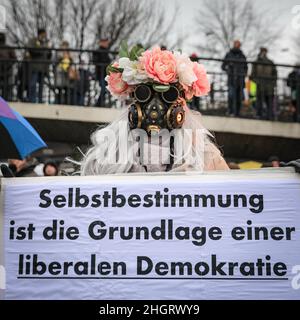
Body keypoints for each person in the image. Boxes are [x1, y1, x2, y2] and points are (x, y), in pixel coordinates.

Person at [80, 45, 229, 175]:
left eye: (168, 95)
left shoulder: (205, 156)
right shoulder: (109, 155)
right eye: (144, 94)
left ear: (180, 105)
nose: (154, 107)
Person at [222, 40, 248, 117]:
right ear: (234, 44)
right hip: (231, 79)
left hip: (240, 80)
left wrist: (243, 73)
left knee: (239, 97)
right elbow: (223, 66)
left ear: (240, 45)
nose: (237, 45)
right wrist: (228, 70)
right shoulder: (229, 54)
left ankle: (237, 112)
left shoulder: (242, 56)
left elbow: (246, 67)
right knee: (231, 95)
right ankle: (230, 111)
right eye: (236, 44)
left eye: (238, 44)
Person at [250, 48, 277, 120]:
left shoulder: (270, 62)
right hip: (259, 85)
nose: (264, 53)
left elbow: (275, 74)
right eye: (262, 51)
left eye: (265, 51)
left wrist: (273, 83)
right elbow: (253, 75)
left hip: (269, 86)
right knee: (259, 101)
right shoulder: (256, 62)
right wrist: (257, 82)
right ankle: (259, 115)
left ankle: (270, 116)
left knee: (269, 101)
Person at [26, 28, 52, 103]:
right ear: (40, 33)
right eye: (44, 34)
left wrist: (49, 50)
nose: (45, 35)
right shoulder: (33, 41)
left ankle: (40, 99)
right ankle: (32, 99)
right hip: (35, 66)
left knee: (41, 85)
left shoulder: (46, 42)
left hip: (43, 68)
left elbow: (48, 55)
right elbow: (31, 49)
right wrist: (43, 48)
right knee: (33, 84)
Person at [55, 41, 78, 105]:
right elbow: (55, 61)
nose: (64, 47)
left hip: (67, 73)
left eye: (66, 46)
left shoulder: (70, 53)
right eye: (63, 45)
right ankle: (59, 103)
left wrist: (69, 57)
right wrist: (62, 57)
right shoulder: (58, 53)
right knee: (59, 89)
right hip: (60, 73)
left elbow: (73, 62)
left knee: (67, 89)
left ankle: (67, 103)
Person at [93, 38, 111, 107]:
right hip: (101, 74)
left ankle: (100, 103)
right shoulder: (98, 51)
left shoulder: (106, 52)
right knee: (104, 89)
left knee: (105, 89)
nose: (107, 44)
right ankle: (98, 104)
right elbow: (96, 62)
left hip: (105, 74)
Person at [0, 33, 16, 101]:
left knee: (6, 87)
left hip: (7, 70)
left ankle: (5, 100)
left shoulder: (9, 48)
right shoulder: (9, 48)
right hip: (4, 70)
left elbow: (14, 59)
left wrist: (8, 64)